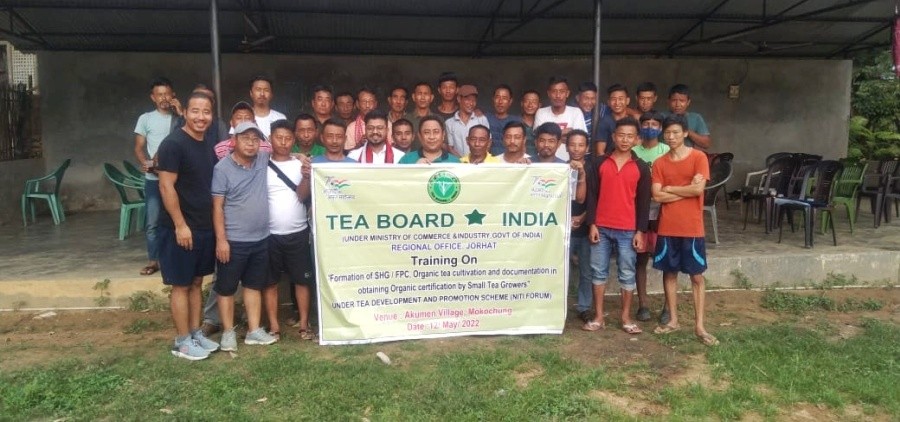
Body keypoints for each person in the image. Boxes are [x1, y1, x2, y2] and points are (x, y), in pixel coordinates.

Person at [156, 92, 220, 360]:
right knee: (181, 285)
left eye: (206, 112)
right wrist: (180, 225)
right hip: (180, 228)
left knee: (196, 282)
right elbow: (166, 185)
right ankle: (182, 341)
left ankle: (195, 333)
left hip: (203, 226)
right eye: (195, 111)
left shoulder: (206, 143)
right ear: (185, 112)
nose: (200, 117)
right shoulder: (173, 144)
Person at [650, 115, 717, 346]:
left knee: (696, 276)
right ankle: (673, 320)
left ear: (686, 133)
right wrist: (686, 189)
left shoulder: (699, 157)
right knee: (669, 273)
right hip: (668, 226)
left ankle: (700, 326)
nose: (671, 137)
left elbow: (699, 190)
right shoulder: (660, 162)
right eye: (668, 133)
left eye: (676, 132)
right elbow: (657, 195)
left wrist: (672, 189)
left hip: (692, 227)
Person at [212, 121, 279, 351]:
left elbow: (284, 152)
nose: (251, 143)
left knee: (253, 285)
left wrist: (300, 158)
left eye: (254, 139)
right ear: (234, 141)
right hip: (234, 241)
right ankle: (228, 333)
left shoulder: (262, 160)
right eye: (245, 138)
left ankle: (253, 330)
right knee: (226, 288)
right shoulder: (222, 169)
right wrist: (221, 240)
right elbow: (217, 207)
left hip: (261, 239)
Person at [582, 117, 651, 335]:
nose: (625, 139)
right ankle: (599, 317)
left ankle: (626, 318)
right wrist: (592, 223)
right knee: (598, 272)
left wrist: (640, 230)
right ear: (613, 136)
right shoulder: (600, 162)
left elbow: (644, 202)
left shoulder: (641, 167)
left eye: (630, 136)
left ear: (637, 139)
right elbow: (592, 196)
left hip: (628, 230)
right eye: (621, 135)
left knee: (627, 273)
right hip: (601, 227)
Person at [266, 119, 316, 340]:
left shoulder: (300, 165)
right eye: (279, 137)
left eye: (288, 138)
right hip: (269, 234)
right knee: (270, 282)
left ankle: (304, 324)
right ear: (270, 139)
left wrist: (306, 176)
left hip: (298, 232)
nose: (283, 142)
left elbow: (302, 195)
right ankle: (274, 326)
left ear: (293, 141)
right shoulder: (261, 165)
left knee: (302, 280)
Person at [133, 77, 182, 277]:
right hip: (154, 180)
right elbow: (138, 147)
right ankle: (154, 261)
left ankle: (177, 257)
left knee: (177, 220)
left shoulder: (181, 118)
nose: (163, 98)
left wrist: (181, 112)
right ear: (153, 97)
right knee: (153, 222)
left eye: (167, 94)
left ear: (173, 96)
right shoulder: (145, 119)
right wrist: (145, 163)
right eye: (159, 94)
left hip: (177, 179)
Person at [632, 111, 670, 322]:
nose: (649, 126)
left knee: (666, 261)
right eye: (646, 123)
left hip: (663, 213)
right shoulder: (632, 151)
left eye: (654, 123)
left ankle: (667, 306)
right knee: (640, 259)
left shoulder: (666, 151)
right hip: (640, 213)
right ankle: (643, 304)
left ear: (661, 128)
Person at [566, 129, 592, 322]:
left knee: (586, 269)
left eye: (581, 145)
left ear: (587, 147)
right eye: (572, 144)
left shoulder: (594, 169)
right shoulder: (560, 168)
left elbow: (596, 199)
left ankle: (584, 307)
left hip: (585, 226)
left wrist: (583, 217)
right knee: (561, 269)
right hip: (564, 227)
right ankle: (560, 305)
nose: (576, 149)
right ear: (566, 146)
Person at [534, 76, 587, 161]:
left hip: (570, 162)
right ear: (548, 93)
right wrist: (565, 133)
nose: (558, 95)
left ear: (567, 93)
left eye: (562, 92)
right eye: (554, 91)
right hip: (545, 162)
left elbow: (578, 138)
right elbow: (539, 137)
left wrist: (551, 136)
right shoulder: (541, 112)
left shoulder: (576, 112)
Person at [445, 84, 489, 157]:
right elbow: (450, 147)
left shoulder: (482, 119)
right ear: (459, 99)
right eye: (468, 99)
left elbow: (488, 142)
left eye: (474, 100)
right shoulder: (449, 123)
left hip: (479, 163)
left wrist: (479, 159)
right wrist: (462, 162)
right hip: (459, 164)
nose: (471, 103)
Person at [666, 84, 712, 149]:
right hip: (665, 156)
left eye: (682, 101)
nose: (677, 104)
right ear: (668, 101)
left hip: (688, 157)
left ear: (688, 102)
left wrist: (685, 130)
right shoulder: (661, 117)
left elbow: (706, 144)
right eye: (674, 100)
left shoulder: (695, 118)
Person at [595, 83, 635, 155]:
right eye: (614, 99)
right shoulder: (604, 122)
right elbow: (600, 152)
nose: (617, 103)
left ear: (627, 100)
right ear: (609, 102)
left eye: (620, 99)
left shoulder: (633, 121)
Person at [485, 84, 522, 156]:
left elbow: (522, 144)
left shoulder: (517, 121)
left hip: (510, 162)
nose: (500, 101)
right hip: (489, 162)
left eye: (504, 98)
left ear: (510, 101)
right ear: (493, 99)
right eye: (497, 97)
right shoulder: (484, 118)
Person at [406, 82, 435, 147]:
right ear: (413, 97)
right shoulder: (406, 119)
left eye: (426, 94)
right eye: (419, 93)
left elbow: (444, 144)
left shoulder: (438, 119)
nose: (423, 97)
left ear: (431, 97)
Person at [520, 90, 541, 157]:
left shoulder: (542, 124)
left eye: (534, 102)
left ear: (539, 105)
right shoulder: (515, 123)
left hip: (540, 163)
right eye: (527, 101)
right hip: (520, 162)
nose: (530, 105)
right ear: (522, 103)